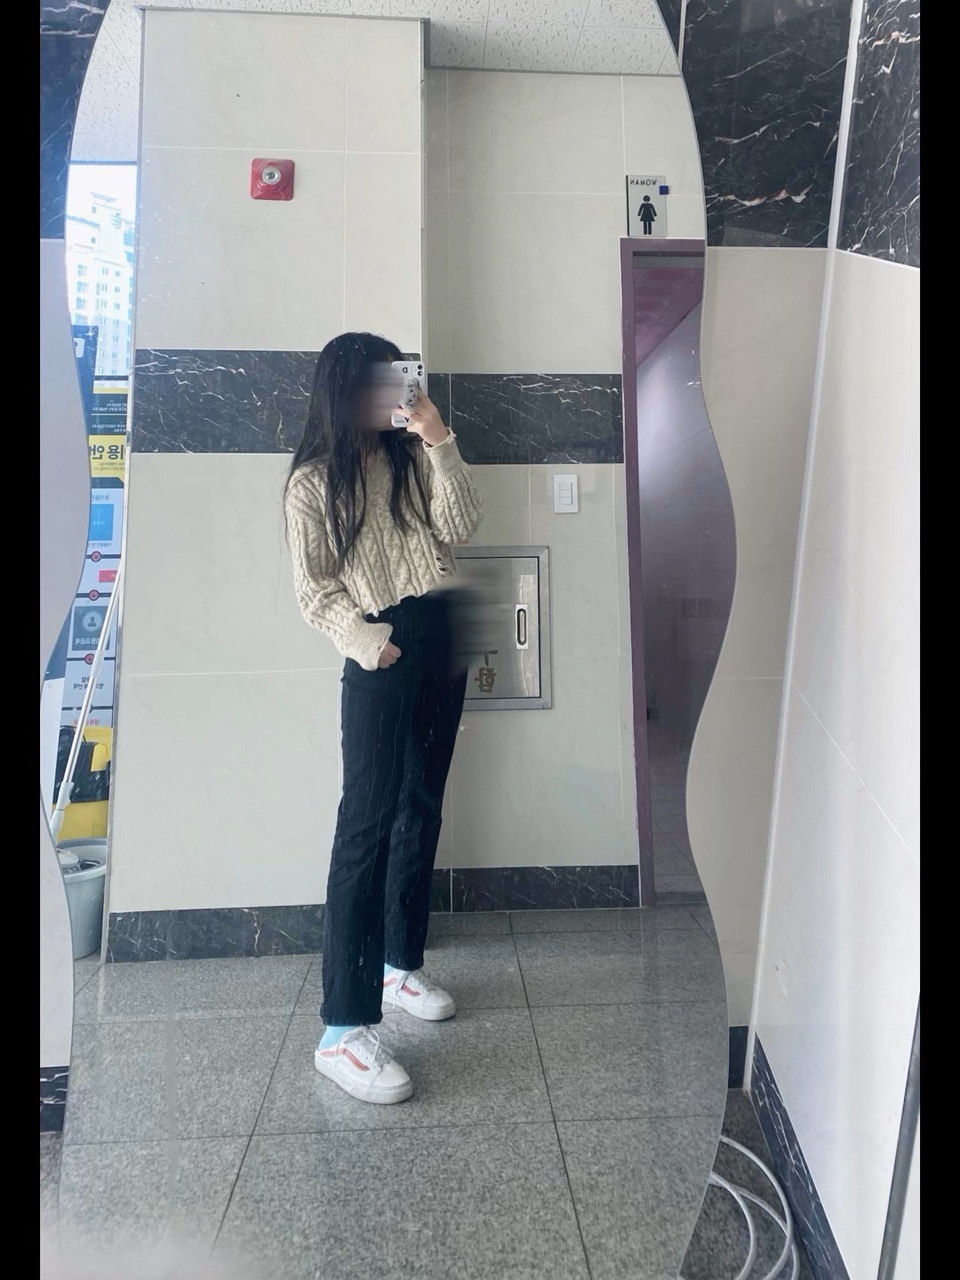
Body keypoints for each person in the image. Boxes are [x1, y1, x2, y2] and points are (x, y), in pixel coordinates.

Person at [284, 332, 484, 1105]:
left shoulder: (410, 455)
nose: (395, 393)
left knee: (421, 805)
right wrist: (367, 641)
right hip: (380, 646)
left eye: (400, 379)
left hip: (440, 633)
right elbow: (315, 590)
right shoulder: (312, 483)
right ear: (345, 389)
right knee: (364, 825)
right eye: (381, 381)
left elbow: (461, 525)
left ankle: (401, 965)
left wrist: (438, 439)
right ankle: (341, 1028)